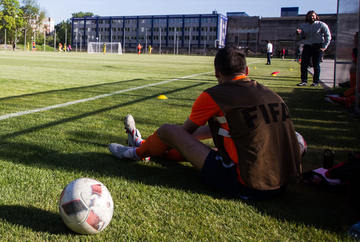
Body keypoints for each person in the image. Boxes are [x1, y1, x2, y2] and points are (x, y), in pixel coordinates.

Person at [108, 46, 302, 200]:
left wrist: (163, 144)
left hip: (249, 185)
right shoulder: (272, 94)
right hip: (282, 184)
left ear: (216, 72)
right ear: (247, 70)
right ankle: (146, 148)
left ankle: (136, 152)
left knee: (168, 131)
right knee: (217, 147)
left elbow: (180, 135)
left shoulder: (215, 95)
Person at [296, 10, 331, 86]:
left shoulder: (321, 25)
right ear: (307, 17)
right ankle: (304, 81)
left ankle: (315, 82)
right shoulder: (304, 26)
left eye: (313, 16)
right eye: (310, 16)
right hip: (307, 46)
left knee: (316, 64)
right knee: (304, 64)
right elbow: (301, 36)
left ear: (316, 16)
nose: (311, 17)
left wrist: (324, 47)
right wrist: (299, 33)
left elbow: (328, 36)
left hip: (317, 46)